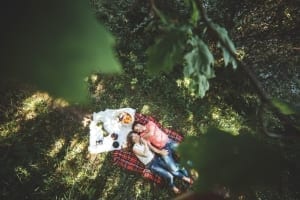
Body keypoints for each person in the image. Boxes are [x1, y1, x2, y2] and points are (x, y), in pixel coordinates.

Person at [127, 132, 193, 194]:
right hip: (151, 164)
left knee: (171, 169)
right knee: (168, 175)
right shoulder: (135, 148)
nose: (136, 137)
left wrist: (158, 150)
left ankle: (186, 178)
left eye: (136, 135)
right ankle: (172, 186)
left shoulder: (143, 140)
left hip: (156, 158)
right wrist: (145, 144)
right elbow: (145, 154)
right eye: (133, 137)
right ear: (132, 140)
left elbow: (151, 143)